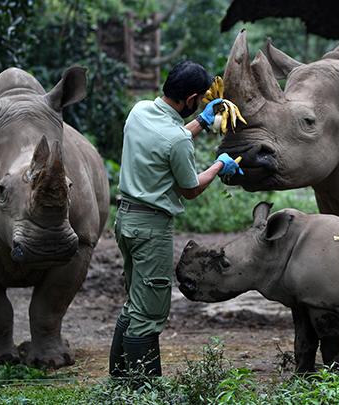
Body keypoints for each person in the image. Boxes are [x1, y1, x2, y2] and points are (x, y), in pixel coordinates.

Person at [108, 61, 242, 378]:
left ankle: (119, 379)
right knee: (149, 312)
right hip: (151, 230)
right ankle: (145, 390)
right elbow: (191, 188)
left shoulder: (139, 111)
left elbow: (166, 138)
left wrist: (199, 122)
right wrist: (220, 165)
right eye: (200, 102)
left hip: (126, 221)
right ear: (192, 97)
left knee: (135, 302)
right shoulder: (177, 141)